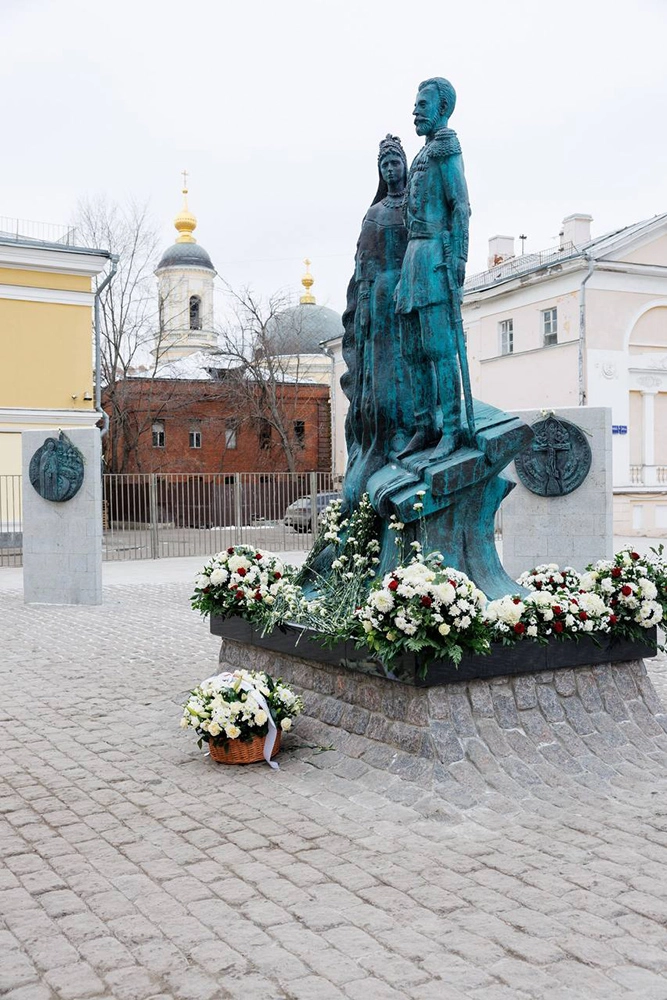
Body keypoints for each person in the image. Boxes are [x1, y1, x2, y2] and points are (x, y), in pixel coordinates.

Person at [394, 77, 471, 459]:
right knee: (411, 351)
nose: (415, 110)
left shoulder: (445, 148)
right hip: (413, 260)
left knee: (439, 349)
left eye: (423, 103)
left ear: (442, 108)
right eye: (415, 103)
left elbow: (460, 206)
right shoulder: (422, 154)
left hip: (435, 258)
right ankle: (425, 426)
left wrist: (458, 260)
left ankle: (452, 430)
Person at [341, 134, 412, 507]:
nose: (390, 168)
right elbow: (362, 266)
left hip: (412, 294)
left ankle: (414, 432)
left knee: (415, 368)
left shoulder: (417, 206)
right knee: (383, 374)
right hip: (381, 300)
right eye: (385, 165)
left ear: (404, 164)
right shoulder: (375, 212)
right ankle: (386, 436)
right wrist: (364, 307)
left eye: (395, 162)